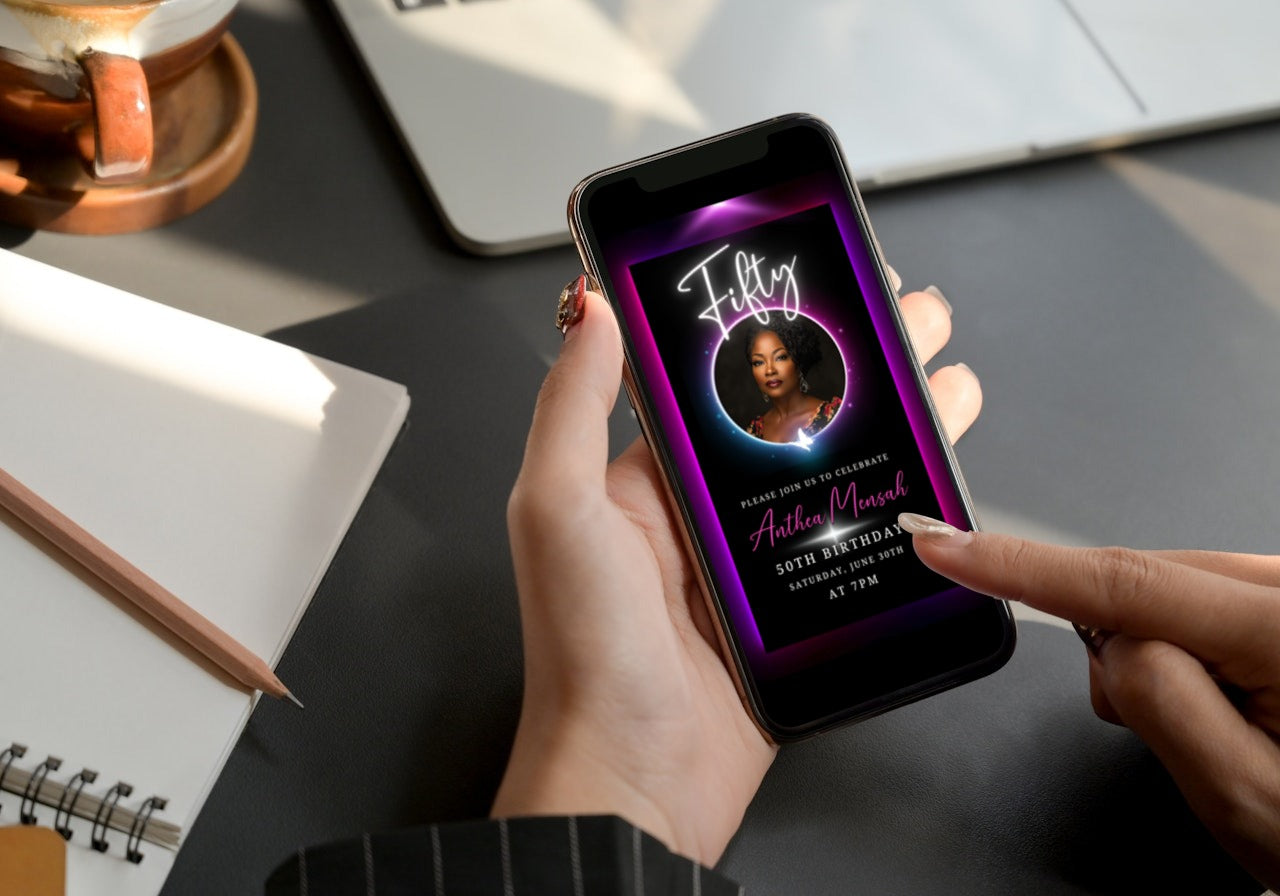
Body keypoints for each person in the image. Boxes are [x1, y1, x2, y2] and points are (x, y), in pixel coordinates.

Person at [267, 275, 1280, 894]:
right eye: (745, 361)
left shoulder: (828, 402)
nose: (759, 370)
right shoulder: (758, 434)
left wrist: (615, 798)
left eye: (769, 354)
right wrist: (623, 792)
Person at [741, 317, 842, 443]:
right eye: (758, 362)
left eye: (780, 357)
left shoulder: (834, 416)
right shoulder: (753, 431)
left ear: (799, 362)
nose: (769, 370)